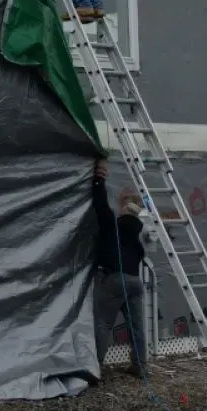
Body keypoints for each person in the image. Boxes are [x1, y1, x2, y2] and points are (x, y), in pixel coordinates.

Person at [91, 159, 148, 380]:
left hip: (113, 279)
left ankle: (96, 366)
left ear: (123, 213)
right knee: (137, 326)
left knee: (103, 323)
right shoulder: (136, 238)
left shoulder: (112, 227)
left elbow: (100, 205)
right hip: (135, 282)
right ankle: (140, 366)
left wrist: (99, 180)